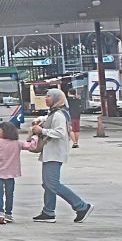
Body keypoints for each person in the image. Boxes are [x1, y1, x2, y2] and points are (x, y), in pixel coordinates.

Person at [31, 89, 93, 223]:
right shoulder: (55, 113)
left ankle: (81, 206)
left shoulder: (58, 114)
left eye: (49, 96)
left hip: (54, 153)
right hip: (51, 153)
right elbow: (50, 121)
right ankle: (48, 212)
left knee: (52, 184)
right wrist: (41, 121)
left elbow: (60, 132)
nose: (46, 98)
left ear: (56, 98)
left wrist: (42, 130)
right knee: (48, 184)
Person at [0, 121, 37, 224]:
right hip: (11, 174)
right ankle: (8, 214)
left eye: (0, 130)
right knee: (9, 194)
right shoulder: (18, 143)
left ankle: (0, 213)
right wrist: (35, 137)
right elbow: (31, 146)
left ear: (5, 132)